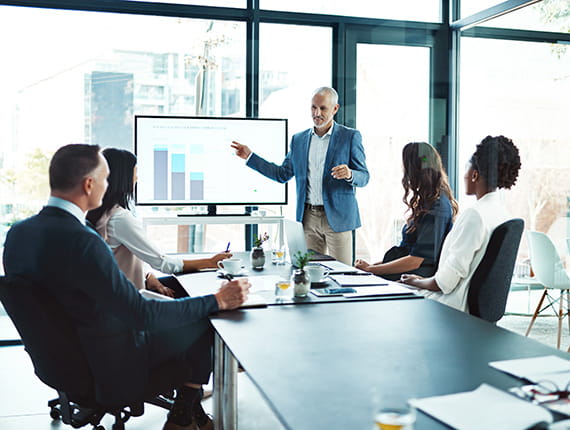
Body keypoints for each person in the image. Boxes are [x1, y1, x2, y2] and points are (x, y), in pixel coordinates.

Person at [2, 144, 250, 430]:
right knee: (206, 321)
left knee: (184, 313)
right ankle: (182, 416)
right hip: (111, 364)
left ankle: (187, 412)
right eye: (105, 179)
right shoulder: (84, 242)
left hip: (62, 362)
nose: (108, 186)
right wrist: (217, 300)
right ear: (89, 184)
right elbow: (140, 315)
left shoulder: (18, 234)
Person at [231, 86, 369, 264]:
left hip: (338, 218)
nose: (317, 113)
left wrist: (350, 174)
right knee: (309, 273)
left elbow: (364, 176)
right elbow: (282, 174)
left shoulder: (350, 137)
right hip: (308, 218)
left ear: (335, 109)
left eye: (323, 108)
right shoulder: (299, 139)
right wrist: (250, 156)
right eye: (313, 107)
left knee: (342, 274)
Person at [87, 148, 231, 298]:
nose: (137, 178)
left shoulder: (100, 213)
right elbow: (163, 264)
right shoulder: (119, 219)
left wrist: (148, 276)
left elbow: (118, 261)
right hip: (129, 302)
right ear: (124, 176)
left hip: (114, 294)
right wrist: (210, 262)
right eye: (135, 171)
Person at [400, 135, 521, 313]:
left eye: (466, 169)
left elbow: (444, 284)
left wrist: (415, 281)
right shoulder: (502, 213)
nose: (464, 175)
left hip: (450, 308)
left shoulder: (475, 215)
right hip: (470, 310)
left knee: (388, 296)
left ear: (474, 174)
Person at [354, 142, 458, 281]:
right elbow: (406, 253)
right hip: (404, 274)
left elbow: (415, 260)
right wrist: (370, 267)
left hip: (413, 278)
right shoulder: (428, 201)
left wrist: (371, 270)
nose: (404, 172)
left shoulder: (437, 208)